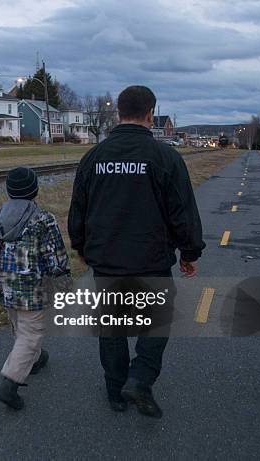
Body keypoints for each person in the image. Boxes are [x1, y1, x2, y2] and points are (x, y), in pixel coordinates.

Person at [67, 85, 205, 418]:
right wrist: (189, 252)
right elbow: (182, 211)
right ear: (150, 113)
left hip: (107, 260)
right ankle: (140, 378)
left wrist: (81, 247)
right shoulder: (165, 158)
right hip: (151, 259)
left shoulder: (94, 158)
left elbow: (79, 210)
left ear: (118, 114)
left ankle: (115, 391)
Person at [0, 166, 70, 410]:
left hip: (5, 286)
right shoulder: (43, 220)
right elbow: (56, 256)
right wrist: (63, 285)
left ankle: (37, 358)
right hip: (33, 286)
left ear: (9, 191)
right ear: (34, 190)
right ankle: (10, 384)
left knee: (20, 327)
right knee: (30, 332)